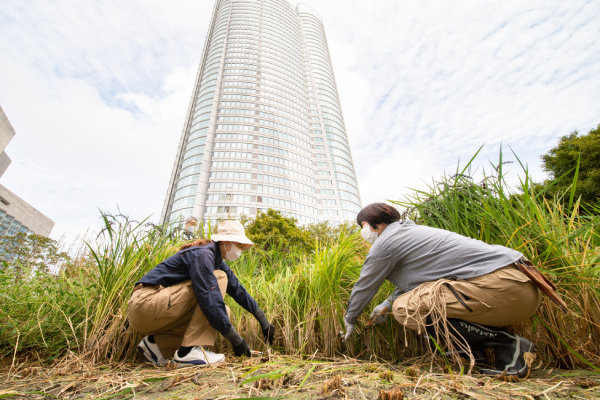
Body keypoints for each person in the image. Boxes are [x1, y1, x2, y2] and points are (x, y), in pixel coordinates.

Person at [343, 203, 566, 378]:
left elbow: (365, 285)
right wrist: (386, 304)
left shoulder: (386, 242)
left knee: (406, 309)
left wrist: (350, 319)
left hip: (502, 288)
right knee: (408, 301)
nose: (363, 232)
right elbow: (424, 285)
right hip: (521, 289)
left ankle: (509, 345)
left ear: (375, 224)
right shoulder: (411, 234)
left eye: (362, 226)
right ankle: (468, 353)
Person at [128, 220, 275, 368]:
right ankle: (187, 352)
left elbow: (237, 289)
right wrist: (237, 341)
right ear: (225, 241)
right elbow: (209, 297)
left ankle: (155, 345)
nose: (240, 250)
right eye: (239, 245)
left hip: (151, 310)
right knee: (219, 280)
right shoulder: (204, 254)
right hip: (145, 303)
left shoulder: (215, 260)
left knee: (223, 311)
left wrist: (263, 320)